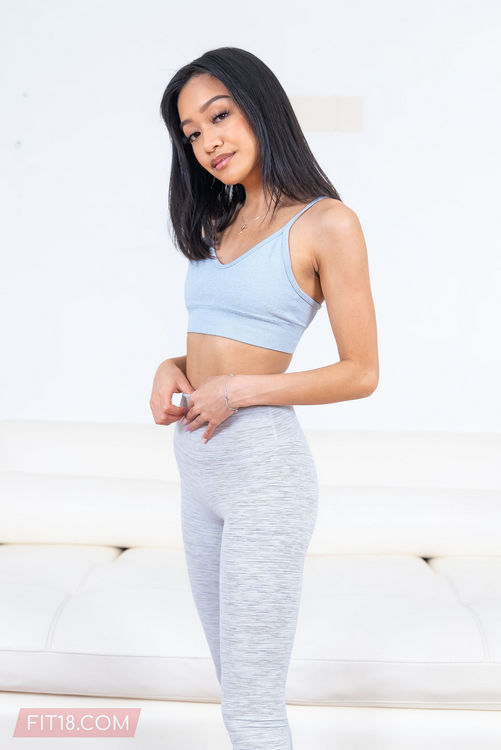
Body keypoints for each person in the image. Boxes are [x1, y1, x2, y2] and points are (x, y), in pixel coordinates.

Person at [151, 46, 379, 750]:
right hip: (198, 470)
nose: (207, 141)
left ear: (260, 108)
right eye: (192, 132)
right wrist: (170, 366)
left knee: (252, 710)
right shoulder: (215, 226)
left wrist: (241, 390)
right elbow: (217, 346)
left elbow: (361, 372)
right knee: (236, 695)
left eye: (219, 116)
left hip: (262, 475)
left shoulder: (326, 223)